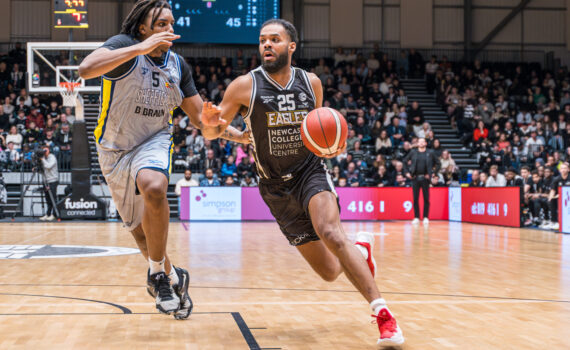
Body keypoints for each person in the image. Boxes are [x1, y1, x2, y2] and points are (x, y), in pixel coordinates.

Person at [199, 19, 404, 346]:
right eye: (263, 40)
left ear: (291, 46)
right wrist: (210, 126)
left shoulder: (311, 83)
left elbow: (317, 131)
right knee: (329, 272)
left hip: (311, 172)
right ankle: (362, 250)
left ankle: (384, 317)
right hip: (275, 187)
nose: (267, 45)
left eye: (275, 40)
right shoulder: (244, 86)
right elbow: (213, 128)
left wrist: (332, 144)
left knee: (331, 231)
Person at [78, 0, 249, 319]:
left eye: (171, 24)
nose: (169, 30)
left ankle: (157, 275)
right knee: (143, 238)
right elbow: (86, 69)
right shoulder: (125, 48)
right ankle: (173, 277)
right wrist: (140, 47)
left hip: (154, 140)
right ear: (143, 29)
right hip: (113, 150)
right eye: (161, 24)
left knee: (154, 186)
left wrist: (230, 132)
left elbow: (202, 122)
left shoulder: (178, 65)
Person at [403, 138, 440, 225]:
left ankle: (425, 217)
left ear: (426, 143)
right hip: (415, 178)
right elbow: (404, 161)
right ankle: (416, 217)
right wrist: (406, 172)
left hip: (425, 178)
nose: (421, 143)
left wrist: (433, 173)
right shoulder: (413, 152)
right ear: (417, 143)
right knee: (415, 199)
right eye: (419, 142)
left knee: (426, 198)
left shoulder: (430, 152)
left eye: (423, 141)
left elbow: (438, 163)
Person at [39, 145, 58, 221]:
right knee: (48, 199)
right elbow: (43, 170)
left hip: (53, 180)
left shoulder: (52, 157)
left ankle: (54, 214)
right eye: (43, 150)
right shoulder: (43, 158)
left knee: (52, 198)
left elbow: (48, 166)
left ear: (49, 150)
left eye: (46, 150)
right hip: (46, 181)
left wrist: (42, 159)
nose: (45, 152)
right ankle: (48, 214)